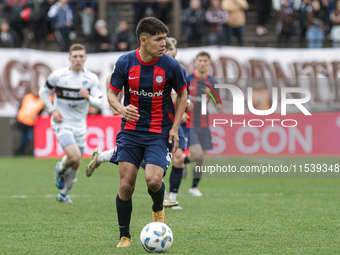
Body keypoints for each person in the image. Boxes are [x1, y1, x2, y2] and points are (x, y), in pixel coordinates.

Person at [108, 17, 187, 247]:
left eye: (164, 39)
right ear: (143, 40)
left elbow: (183, 95)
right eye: (158, 39)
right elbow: (111, 93)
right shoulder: (125, 62)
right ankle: (125, 235)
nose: (164, 44)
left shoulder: (171, 65)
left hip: (159, 132)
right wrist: (122, 109)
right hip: (131, 132)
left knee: (153, 180)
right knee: (126, 186)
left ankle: (158, 207)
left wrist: (174, 128)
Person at [86, 37, 187, 209]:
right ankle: (163, 193)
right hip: (139, 121)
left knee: (177, 157)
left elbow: (180, 94)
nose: (168, 51)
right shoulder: (130, 63)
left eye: (171, 49)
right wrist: (117, 106)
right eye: (166, 48)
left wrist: (184, 107)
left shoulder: (173, 67)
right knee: (144, 159)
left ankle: (165, 193)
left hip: (166, 122)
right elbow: (110, 82)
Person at [38, 43, 103, 203]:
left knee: (76, 162)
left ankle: (64, 194)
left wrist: (88, 97)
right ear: (69, 58)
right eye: (75, 56)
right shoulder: (58, 76)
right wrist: (52, 110)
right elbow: (43, 92)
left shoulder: (91, 79)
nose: (78, 59)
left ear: (85, 58)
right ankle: (59, 169)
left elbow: (100, 104)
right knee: (73, 156)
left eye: (81, 56)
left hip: (80, 125)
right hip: (62, 122)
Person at [187, 52, 223, 197]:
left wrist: (219, 106)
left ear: (209, 64)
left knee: (201, 158)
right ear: (195, 62)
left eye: (205, 61)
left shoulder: (212, 82)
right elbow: (178, 96)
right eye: (200, 60)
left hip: (204, 123)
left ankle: (194, 187)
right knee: (195, 155)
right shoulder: (188, 79)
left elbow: (217, 99)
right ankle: (182, 162)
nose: (202, 63)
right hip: (189, 123)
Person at [14, 88, 45, 155]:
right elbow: (20, 107)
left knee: (29, 138)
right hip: (22, 120)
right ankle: (21, 151)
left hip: (31, 122)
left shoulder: (41, 101)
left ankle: (18, 150)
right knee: (23, 137)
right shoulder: (27, 97)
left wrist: (37, 115)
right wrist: (16, 117)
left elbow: (40, 111)